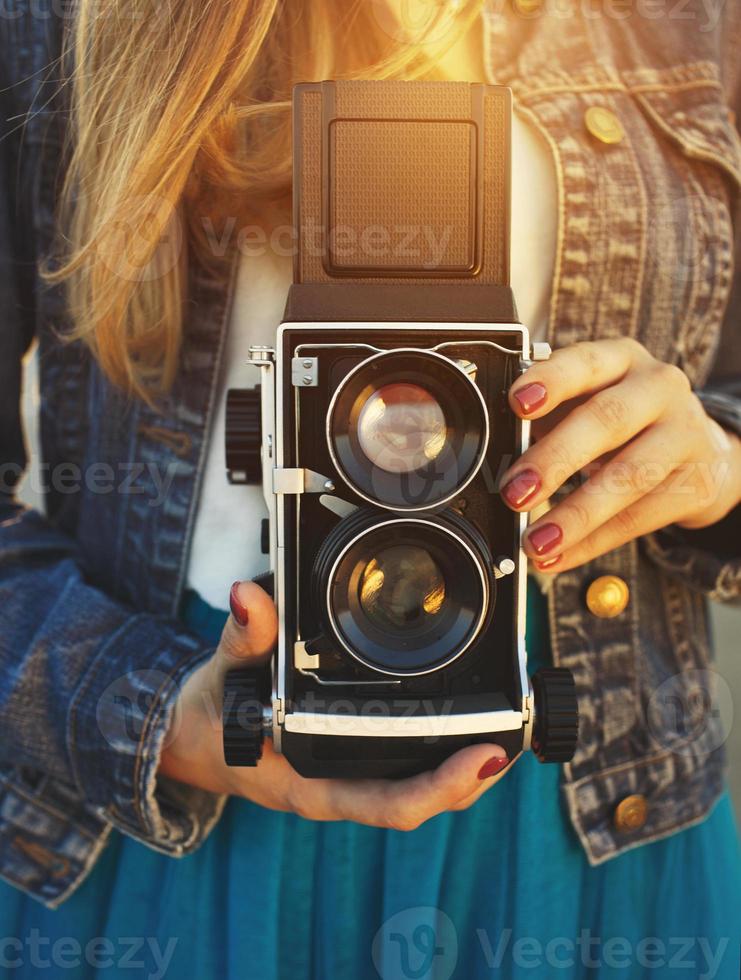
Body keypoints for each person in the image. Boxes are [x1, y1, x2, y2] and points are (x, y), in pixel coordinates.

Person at [1, 1, 740, 977]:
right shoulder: (54, 19)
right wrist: (141, 710)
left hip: (581, 799)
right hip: (186, 758)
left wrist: (715, 457)